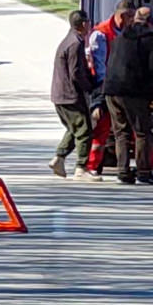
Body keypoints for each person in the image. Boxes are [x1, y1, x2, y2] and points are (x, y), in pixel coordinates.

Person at [103, 7, 153, 185]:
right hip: (133, 91)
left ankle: (123, 172)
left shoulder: (120, 37)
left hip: (111, 89)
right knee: (141, 132)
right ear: (150, 21)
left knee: (121, 133)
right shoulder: (150, 39)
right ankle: (144, 172)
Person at [85, 0, 136, 175]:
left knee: (131, 131)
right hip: (107, 87)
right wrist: (99, 100)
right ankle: (92, 166)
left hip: (123, 87)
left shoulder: (128, 31)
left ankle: (143, 167)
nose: (132, 22)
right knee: (102, 129)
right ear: (123, 16)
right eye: (130, 18)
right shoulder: (101, 34)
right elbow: (100, 70)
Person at [49, 10, 100, 182]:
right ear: (83, 24)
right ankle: (81, 168)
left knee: (75, 128)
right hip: (69, 94)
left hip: (60, 94)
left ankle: (59, 158)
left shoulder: (70, 40)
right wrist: (89, 87)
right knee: (85, 130)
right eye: (88, 22)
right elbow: (76, 72)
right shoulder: (75, 44)